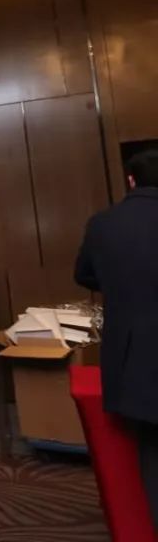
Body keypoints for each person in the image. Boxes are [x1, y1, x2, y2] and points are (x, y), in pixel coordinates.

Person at [75, 149, 158, 532]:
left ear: (131, 180)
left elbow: (84, 275)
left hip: (135, 360)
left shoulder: (103, 224)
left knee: (152, 456)